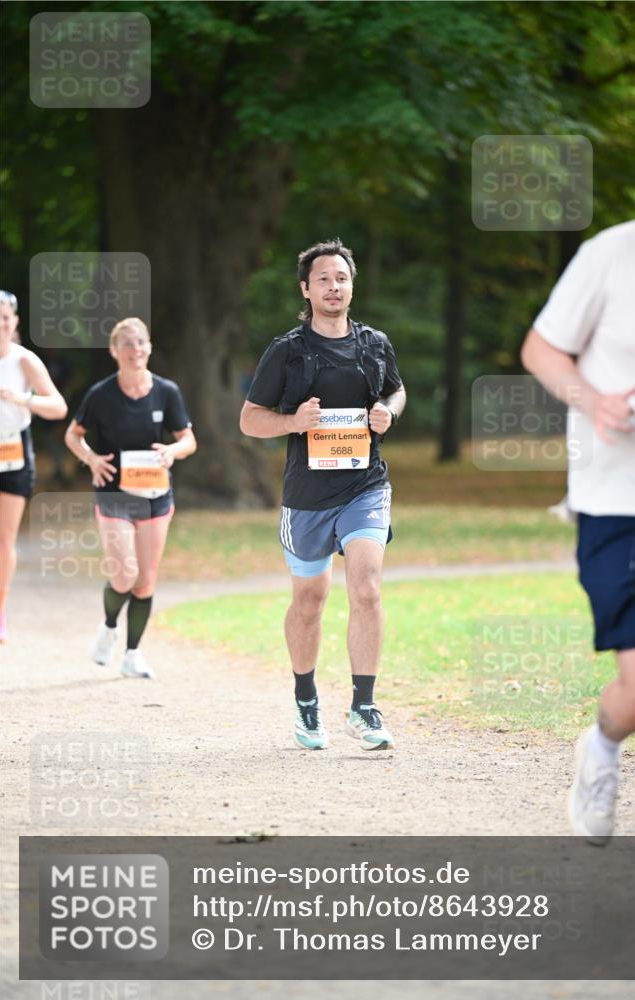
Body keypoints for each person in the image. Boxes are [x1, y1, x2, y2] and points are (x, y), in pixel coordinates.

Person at [521, 123, 635, 844]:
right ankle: (601, 748)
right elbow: (541, 348)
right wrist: (596, 401)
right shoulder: (611, 253)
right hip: (622, 501)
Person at [240, 239, 407, 751]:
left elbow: (396, 390)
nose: (334, 287)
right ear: (306, 289)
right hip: (307, 496)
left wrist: (388, 412)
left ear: (351, 285)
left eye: (341, 278)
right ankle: (307, 700)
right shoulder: (288, 350)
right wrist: (295, 421)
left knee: (367, 587)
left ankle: (364, 707)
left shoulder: (375, 344)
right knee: (310, 601)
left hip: (365, 486)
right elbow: (250, 420)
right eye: (324, 279)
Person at [64, 317, 196, 678]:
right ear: (113, 351)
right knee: (125, 575)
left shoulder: (166, 391)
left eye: (140, 342)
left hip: (155, 493)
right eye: (127, 343)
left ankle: (132, 654)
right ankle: (108, 627)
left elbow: (188, 440)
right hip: (115, 492)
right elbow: (73, 435)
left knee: (146, 580)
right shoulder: (101, 394)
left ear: (149, 347)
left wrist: (172, 451)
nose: (135, 349)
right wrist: (90, 459)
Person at [0, 290, 68, 642]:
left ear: (15, 322)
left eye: (5, 317)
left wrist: (23, 399)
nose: (0, 323)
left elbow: (58, 406)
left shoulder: (24, 361)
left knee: (4, 539)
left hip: (13, 452)